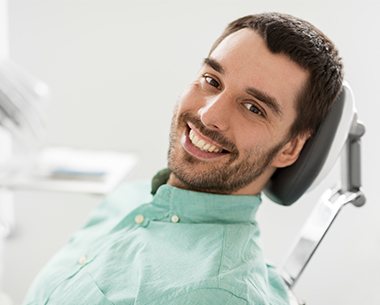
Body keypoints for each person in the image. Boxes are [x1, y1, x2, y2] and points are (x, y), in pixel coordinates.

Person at [22, 12, 343, 305]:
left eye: (253, 108)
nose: (208, 114)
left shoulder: (218, 294)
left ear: (290, 148)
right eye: (212, 81)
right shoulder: (128, 199)